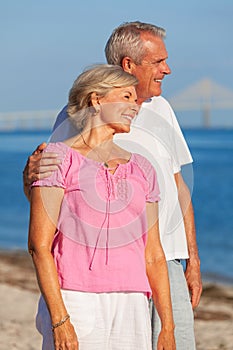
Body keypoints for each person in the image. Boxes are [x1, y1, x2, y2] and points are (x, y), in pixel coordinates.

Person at [23, 22, 202, 349]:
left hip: (149, 278)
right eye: (158, 61)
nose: (167, 69)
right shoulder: (65, 136)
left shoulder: (156, 128)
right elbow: (44, 221)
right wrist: (60, 317)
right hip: (81, 289)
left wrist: (193, 263)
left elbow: (174, 198)